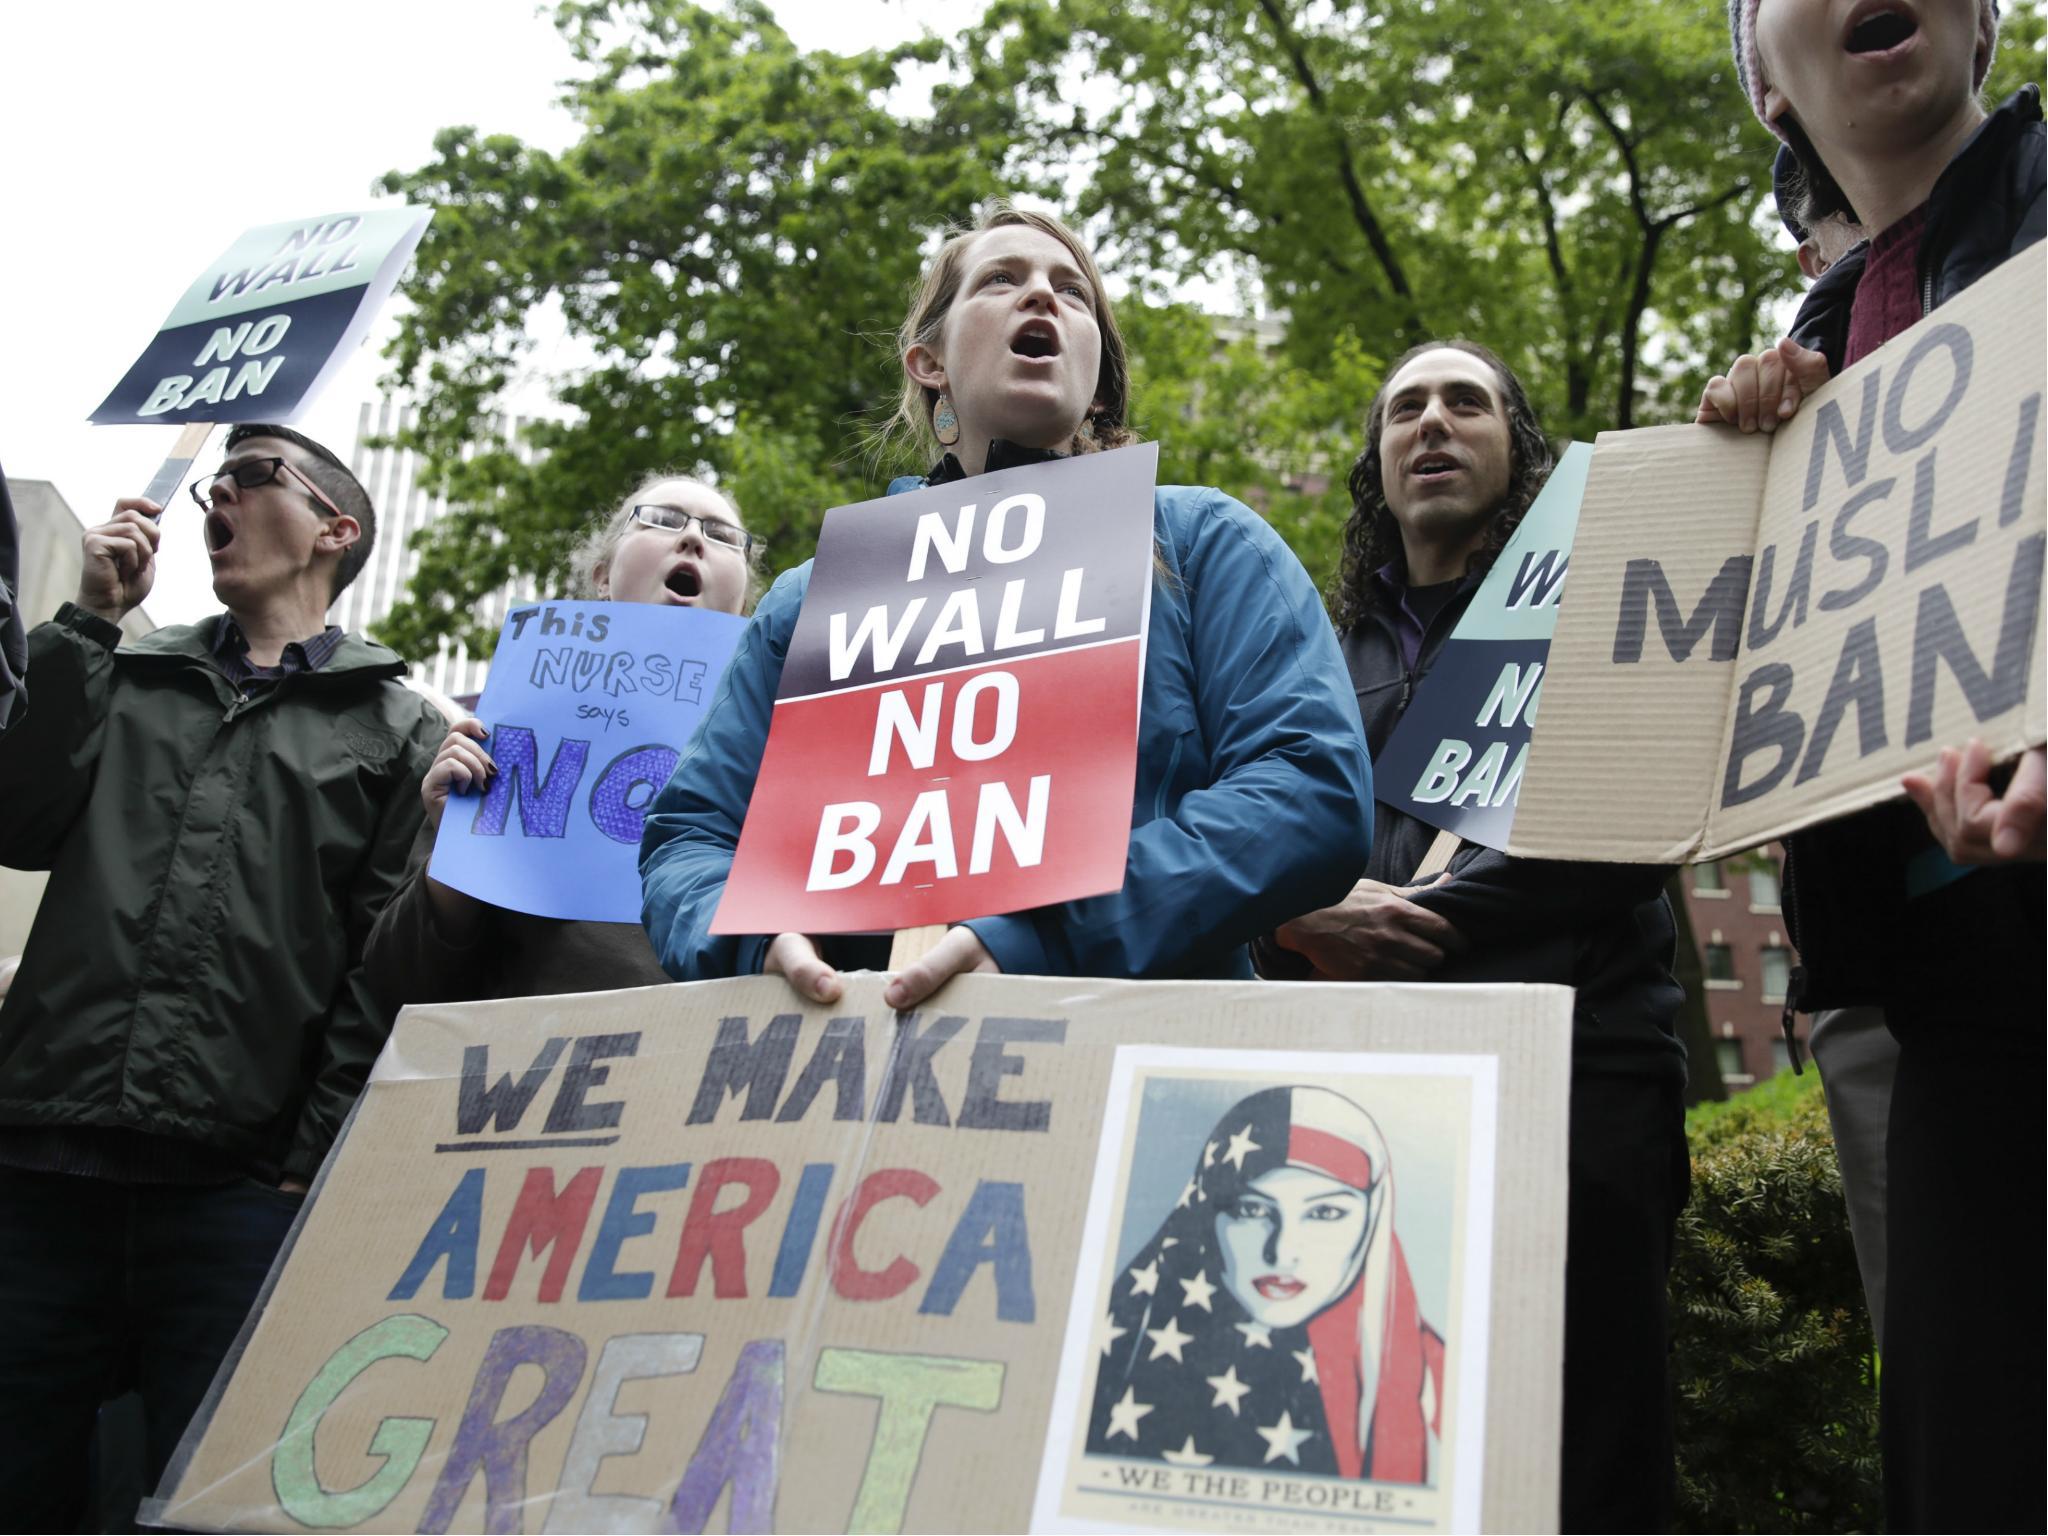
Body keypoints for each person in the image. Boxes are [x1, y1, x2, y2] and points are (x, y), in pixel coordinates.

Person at [640, 203, 1372, 1001]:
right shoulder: (809, 599)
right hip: (847, 1055)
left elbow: (1308, 786)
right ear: (930, 362)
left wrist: (1044, 934)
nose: (1043, 297)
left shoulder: (1204, 543)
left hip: (1135, 1055)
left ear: (1097, 385)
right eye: (1001, 279)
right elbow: (693, 835)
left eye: (1074, 292)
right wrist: (748, 940)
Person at [1708, 5, 2043, 1527]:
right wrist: (1744, 466)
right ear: (1769, 85)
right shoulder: (1811, 360)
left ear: (1983, 20)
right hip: (1941, 990)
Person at [1272, 340, 1688, 1532]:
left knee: (1592, 1453)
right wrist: (1286, 924)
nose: (1432, 423)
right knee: (1386, 1452)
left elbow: (1630, 822)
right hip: (1374, 1095)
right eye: (1405, 408)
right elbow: (1270, 849)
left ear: (1517, 448)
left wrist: (1393, 925)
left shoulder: (1599, 597)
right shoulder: (1311, 656)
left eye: (1466, 402)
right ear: (1377, 461)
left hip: (1582, 1076)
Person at [0, 423, 443, 1529]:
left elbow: (376, 979)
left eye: (253, 480)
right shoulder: (121, 667)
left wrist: (303, 1168)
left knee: (201, 1501)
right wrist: (90, 619)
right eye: (214, 483)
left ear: (335, 531)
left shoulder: (399, 729)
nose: (218, 500)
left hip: (235, 1197)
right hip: (38, 1171)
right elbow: (17, 818)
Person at [366, 474, 758, 1010]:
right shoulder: (503, 737)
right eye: (662, 520)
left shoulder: (780, 737)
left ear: (744, 603)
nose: (692, 539)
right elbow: (398, 984)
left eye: (721, 534)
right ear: (602, 576)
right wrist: (456, 848)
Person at [1085, 1086, 1445, 1482]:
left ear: (1373, 1218)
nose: (1283, 1251)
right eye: (1251, 1209)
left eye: (1325, 1212)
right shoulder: (1115, 1351)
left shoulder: (1438, 1382)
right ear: (1206, 1212)